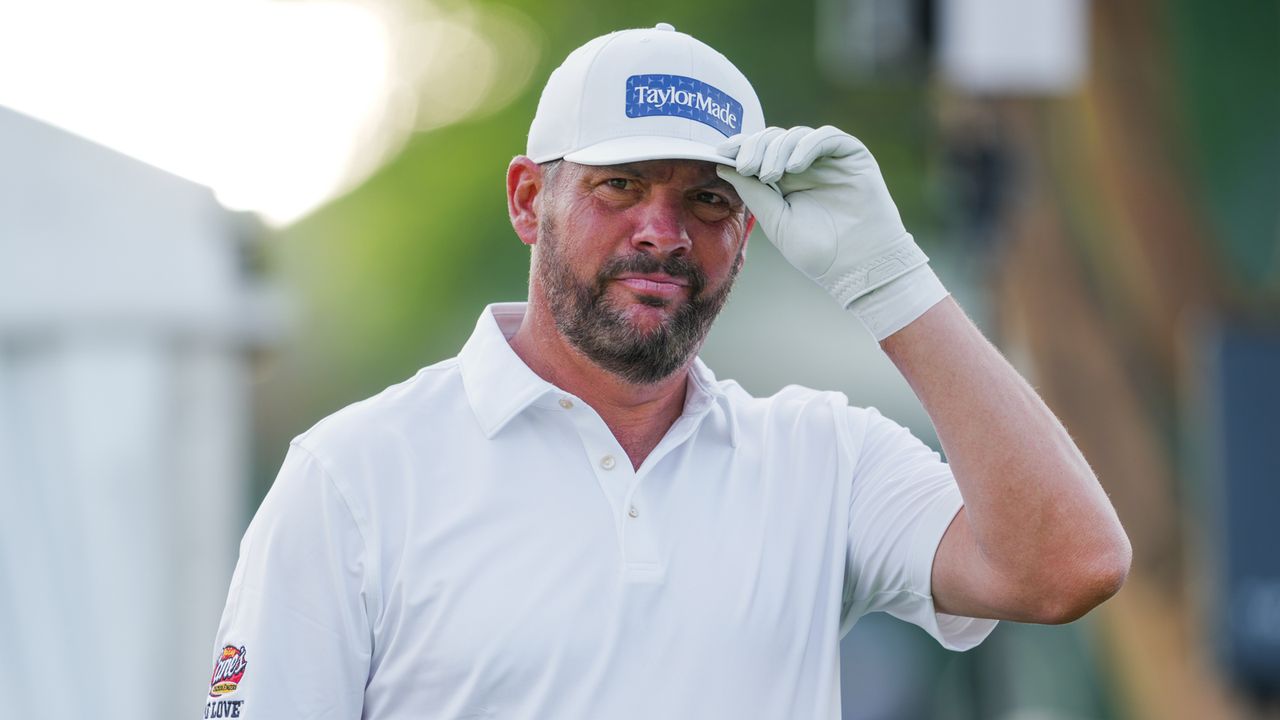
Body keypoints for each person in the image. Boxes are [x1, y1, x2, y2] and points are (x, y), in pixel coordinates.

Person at [203, 23, 1131, 720]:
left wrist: (890, 281)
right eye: (620, 185)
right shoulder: (357, 474)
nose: (664, 230)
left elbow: (1069, 565)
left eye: (707, 198)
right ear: (531, 199)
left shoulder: (819, 458)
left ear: (748, 230)